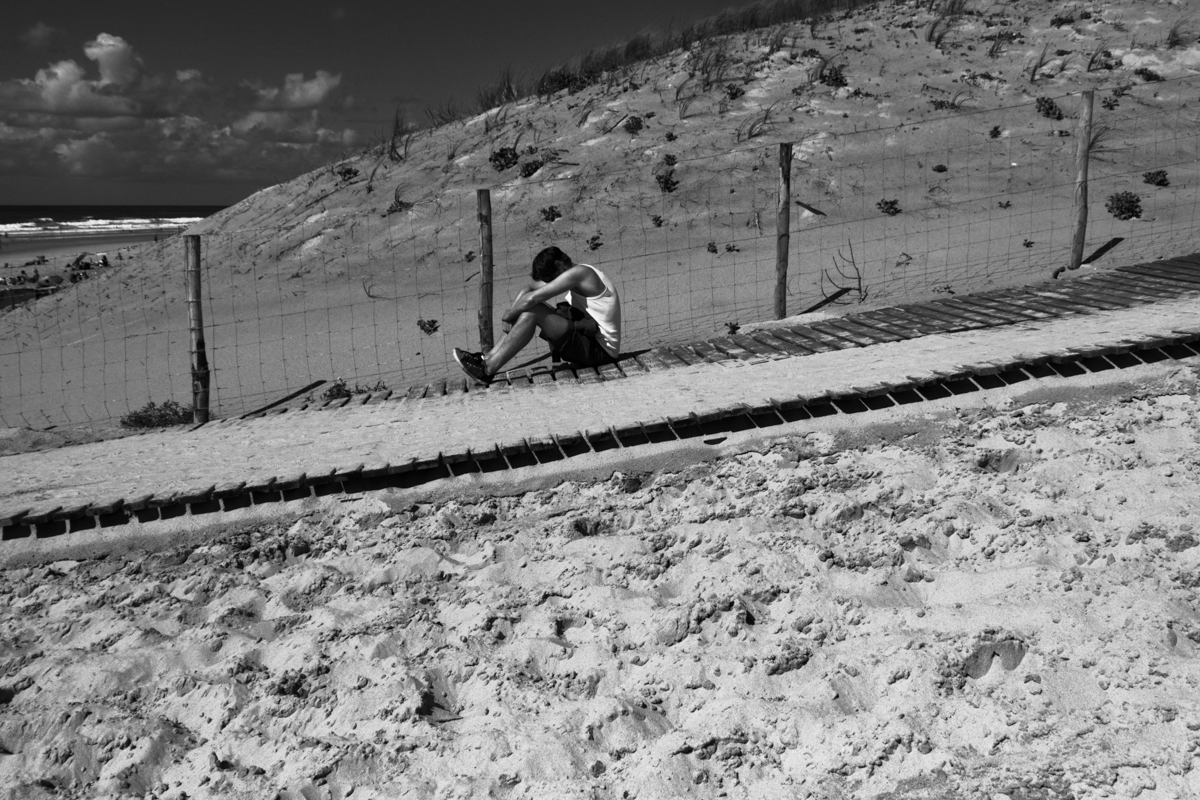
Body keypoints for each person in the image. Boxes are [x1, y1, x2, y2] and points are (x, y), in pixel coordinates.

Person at [453, 246, 621, 384]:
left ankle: (487, 369)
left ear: (559, 265)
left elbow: (533, 298)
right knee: (528, 309)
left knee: (532, 310)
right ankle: (487, 358)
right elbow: (529, 289)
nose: (551, 285)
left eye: (551, 280)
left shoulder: (580, 273)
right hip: (588, 342)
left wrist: (508, 316)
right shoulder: (576, 272)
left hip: (600, 352)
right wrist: (514, 312)